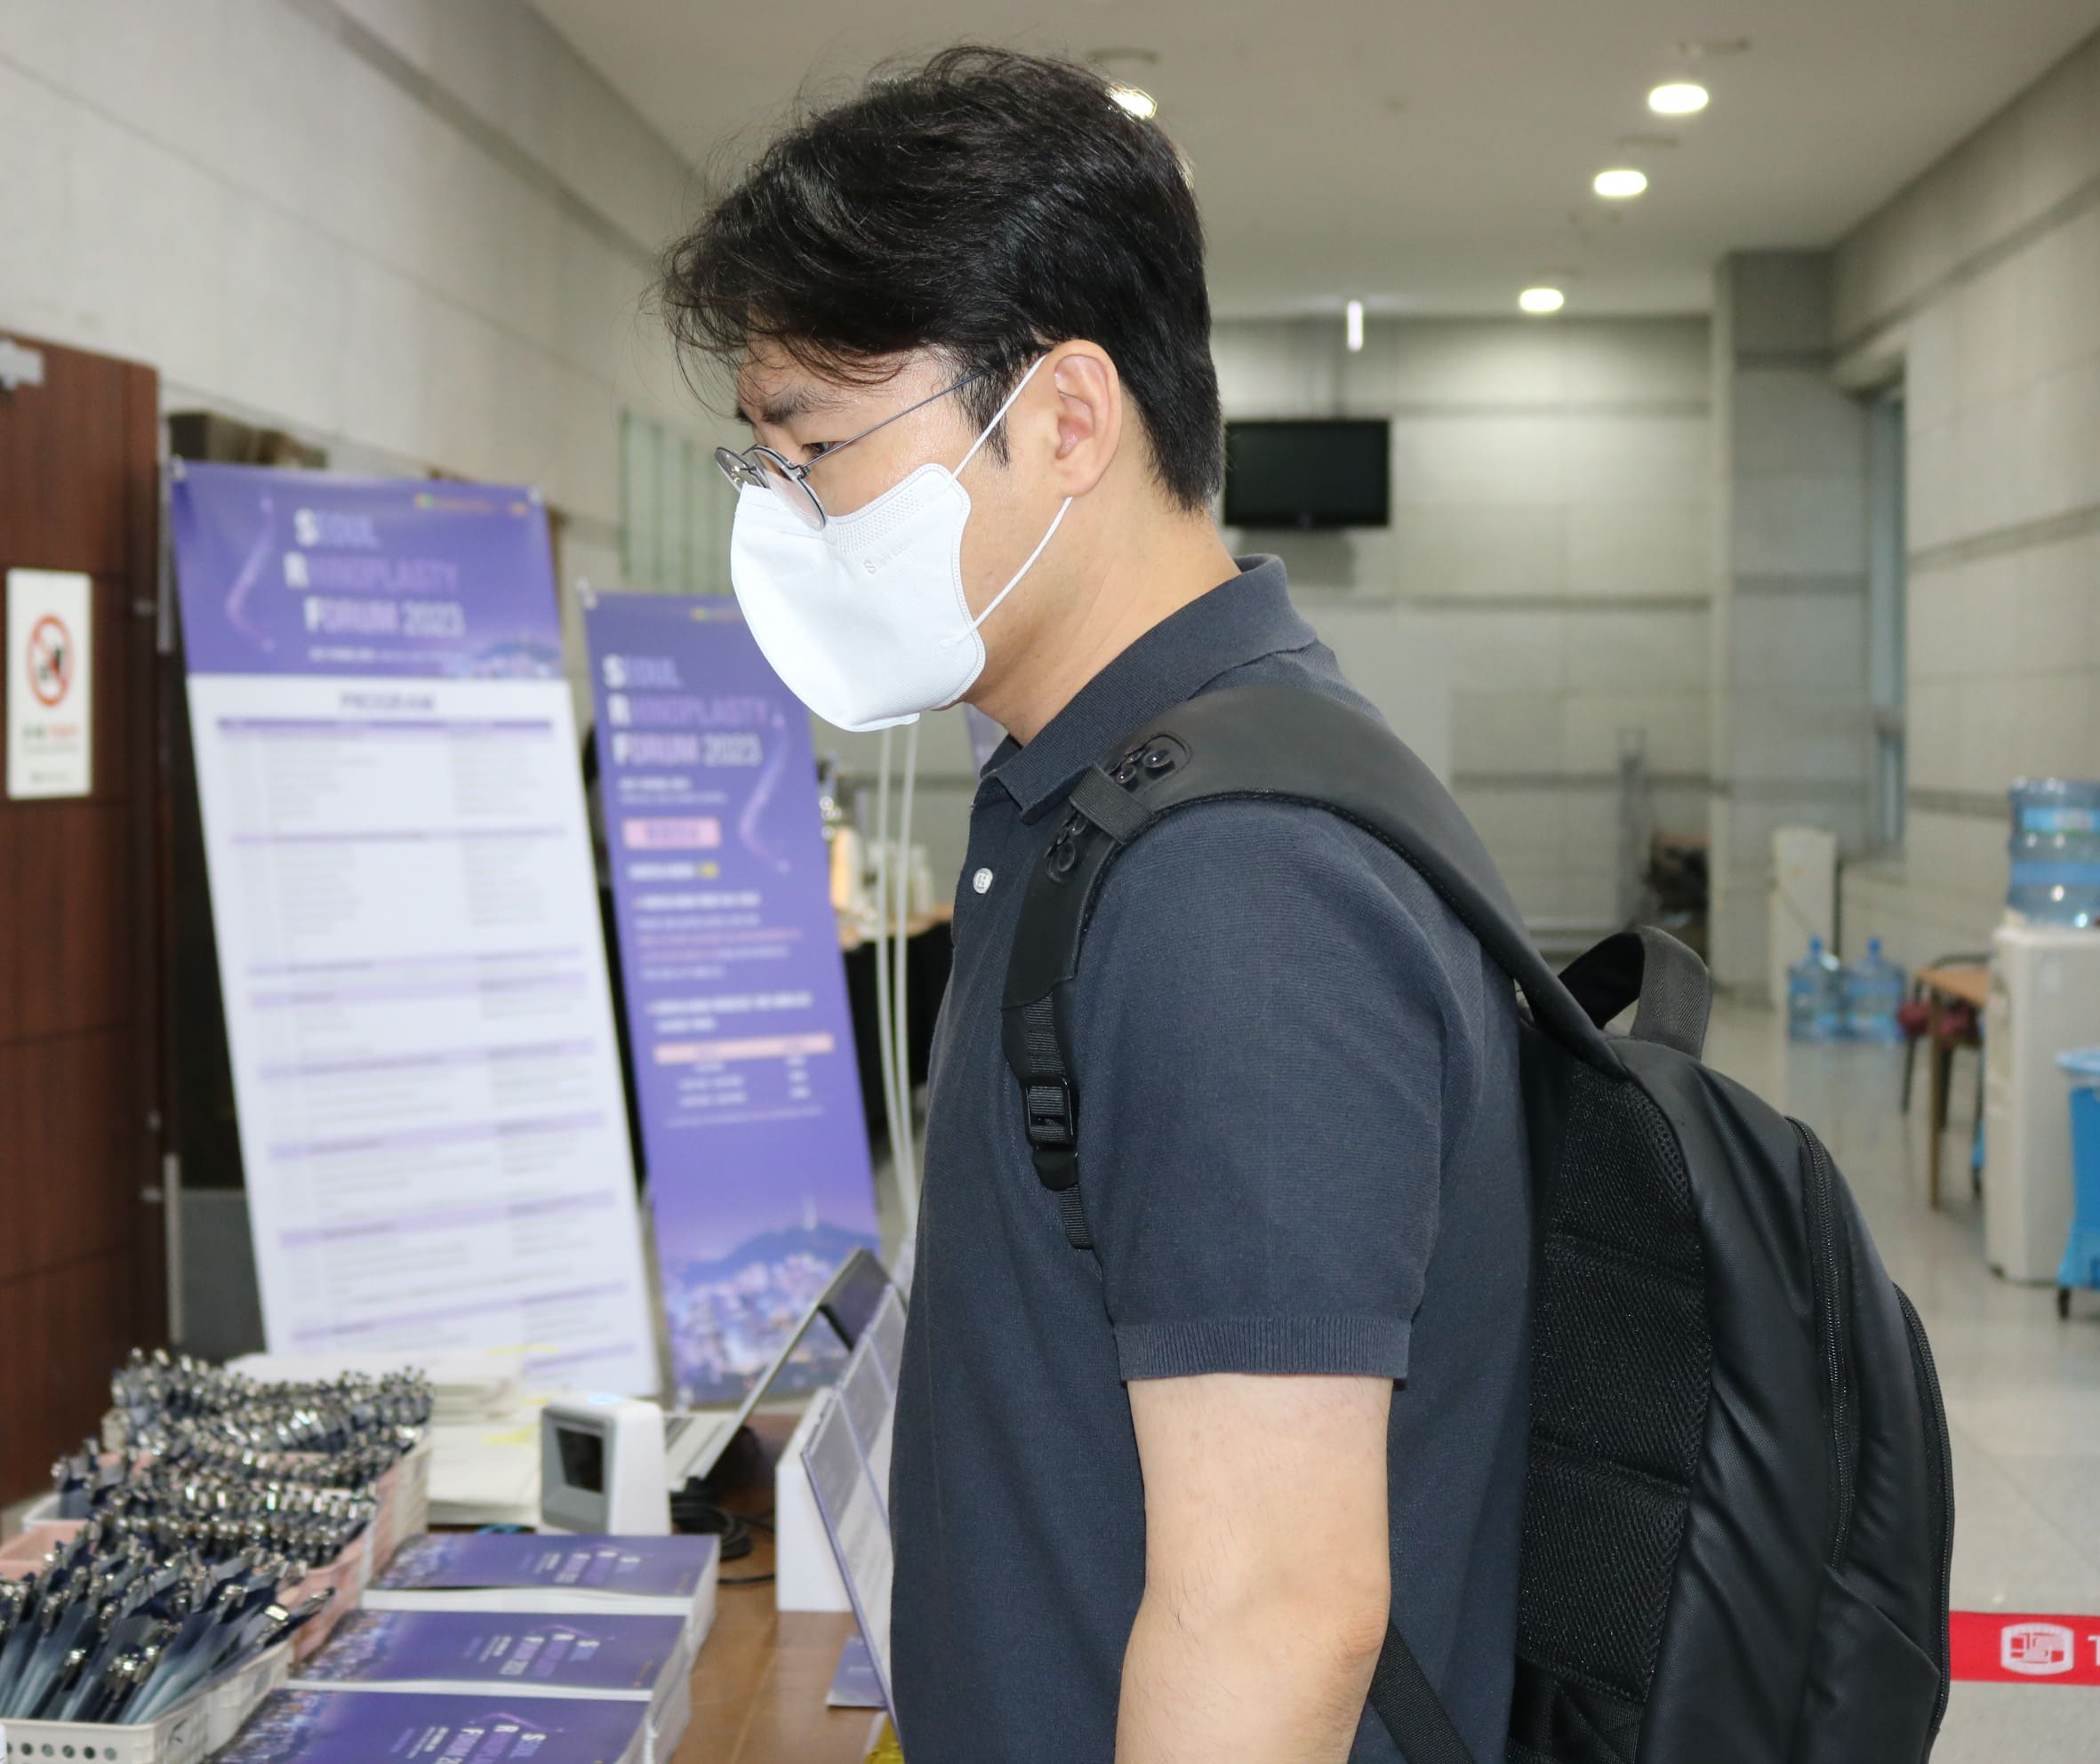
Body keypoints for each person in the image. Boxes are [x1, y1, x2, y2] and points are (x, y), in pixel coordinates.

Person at [659, 48, 1528, 1764]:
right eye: (760, 463)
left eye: (814, 449)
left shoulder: (1239, 888)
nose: (784, 519)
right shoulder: (1100, 794)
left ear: (1064, 420)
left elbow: (1273, 1615)